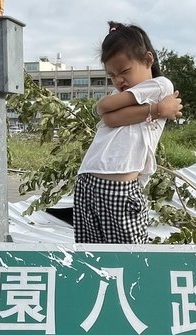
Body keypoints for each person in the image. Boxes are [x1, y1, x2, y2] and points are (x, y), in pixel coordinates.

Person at [74, 21, 183, 244]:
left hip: (119, 188)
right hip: (87, 182)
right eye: (112, 75)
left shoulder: (161, 85)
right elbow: (106, 113)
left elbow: (107, 110)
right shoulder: (129, 95)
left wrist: (157, 107)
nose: (119, 81)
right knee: (91, 259)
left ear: (148, 59)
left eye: (124, 71)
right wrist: (156, 110)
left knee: (129, 259)